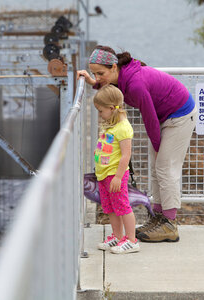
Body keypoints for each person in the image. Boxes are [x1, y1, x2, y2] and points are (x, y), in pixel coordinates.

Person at [78, 45, 197, 243]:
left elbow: (149, 119)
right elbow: (112, 91)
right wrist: (93, 83)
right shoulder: (123, 77)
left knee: (165, 169)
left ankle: (169, 224)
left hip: (180, 115)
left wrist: (158, 147)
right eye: (94, 73)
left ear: (114, 67)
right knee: (157, 168)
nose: (98, 77)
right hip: (166, 117)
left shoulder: (135, 84)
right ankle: (158, 217)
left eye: (100, 73)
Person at [93, 84, 139, 254]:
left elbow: (126, 155)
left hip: (115, 175)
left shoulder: (123, 127)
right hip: (103, 174)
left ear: (112, 109)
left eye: (100, 111)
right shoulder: (109, 124)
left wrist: (118, 177)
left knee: (122, 206)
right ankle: (118, 236)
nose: (99, 115)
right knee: (110, 207)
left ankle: (132, 240)